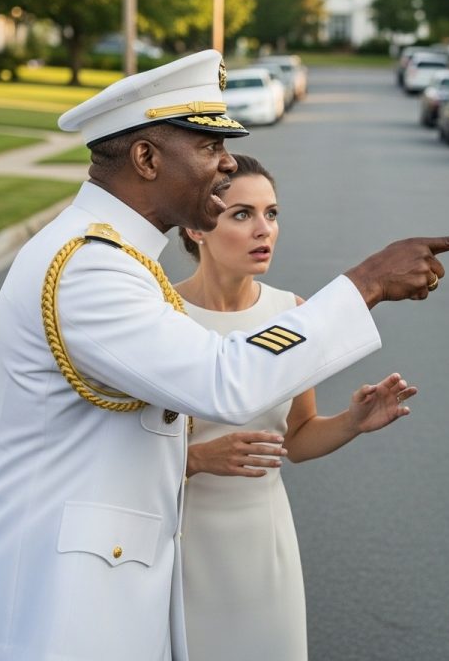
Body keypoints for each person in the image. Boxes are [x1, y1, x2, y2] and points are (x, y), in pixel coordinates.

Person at [0, 49, 449, 661]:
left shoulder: (117, 258)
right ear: (146, 158)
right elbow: (224, 379)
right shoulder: (91, 268)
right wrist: (365, 285)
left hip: (94, 597)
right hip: (57, 612)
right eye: (206, 145)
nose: (226, 161)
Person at [176, 153, 416, 660]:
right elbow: (111, 451)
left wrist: (352, 422)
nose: (264, 229)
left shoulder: (292, 314)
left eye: (272, 213)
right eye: (242, 214)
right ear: (197, 228)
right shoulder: (161, 318)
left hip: (264, 544)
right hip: (178, 545)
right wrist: (196, 459)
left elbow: (298, 439)